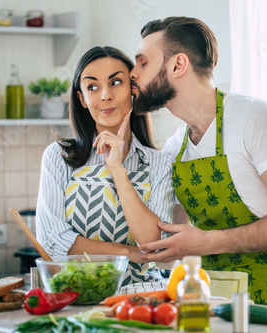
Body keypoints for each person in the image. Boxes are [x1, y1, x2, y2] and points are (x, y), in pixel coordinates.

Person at [129, 17, 267, 308]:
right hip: (212, 302)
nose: (133, 73)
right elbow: (171, 238)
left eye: (142, 63)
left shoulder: (255, 119)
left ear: (177, 65)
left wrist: (207, 242)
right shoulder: (175, 146)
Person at [35, 46, 175, 287]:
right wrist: (128, 253)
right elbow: (52, 242)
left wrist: (118, 171)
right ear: (82, 99)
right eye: (92, 87)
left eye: (116, 82)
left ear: (133, 89)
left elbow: (157, 246)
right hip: (76, 297)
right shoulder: (59, 157)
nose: (105, 96)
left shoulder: (159, 163)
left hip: (142, 298)